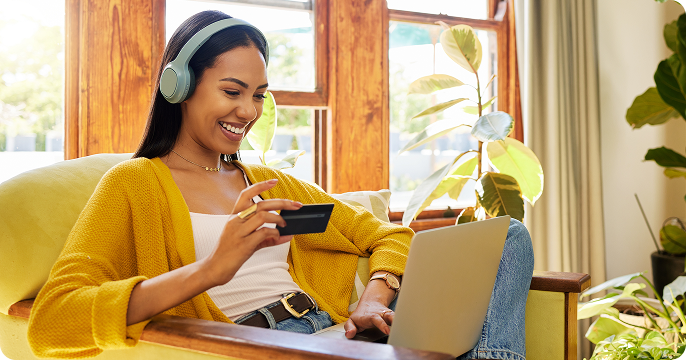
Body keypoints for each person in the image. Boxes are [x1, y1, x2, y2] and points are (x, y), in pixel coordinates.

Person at [27, 10, 533, 360]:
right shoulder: (134, 184)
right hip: (268, 345)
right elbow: (51, 320)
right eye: (231, 91)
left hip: (336, 334)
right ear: (177, 86)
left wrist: (375, 297)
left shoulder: (267, 184)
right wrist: (210, 269)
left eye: (258, 95)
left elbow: (385, 234)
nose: (246, 111)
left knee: (509, 236)